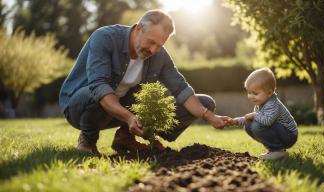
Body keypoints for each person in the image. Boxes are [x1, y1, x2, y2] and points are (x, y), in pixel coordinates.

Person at [59, 9, 231, 155]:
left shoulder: (159, 55)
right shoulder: (105, 37)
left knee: (205, 103)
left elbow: (181, 88)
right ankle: (87, 140)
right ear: (139, 28)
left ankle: (125, 138)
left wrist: (210, 116)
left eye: (160, 45)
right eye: (151, 42)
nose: (154, 50)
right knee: (96, 91)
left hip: (120, 111)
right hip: (79, 105)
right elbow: (99, 85)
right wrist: (128, 117)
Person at [230, 68, 298, 160]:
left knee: (257, 126)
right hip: (281, 132)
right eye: (249, 92)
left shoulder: (272, 103)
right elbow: (252, 118)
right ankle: (274, 149)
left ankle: (277, 150)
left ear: (269, 93)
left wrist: (254, 115)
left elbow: (267, 121)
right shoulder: (261, 103)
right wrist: (235, 121)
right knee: (248, 125)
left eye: (255, 93)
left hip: (289, 135)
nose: (250, 96)